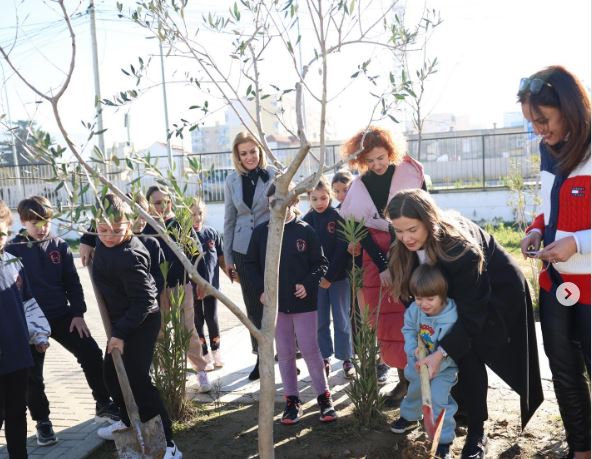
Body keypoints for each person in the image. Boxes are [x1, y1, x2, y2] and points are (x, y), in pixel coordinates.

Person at [386, 189, 544, 459]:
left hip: (496, 291)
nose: (405, 238)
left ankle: (476, 432)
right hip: (448, 292)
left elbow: (472, 315)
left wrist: (441, 351)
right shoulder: (404, 238)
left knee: (468, 353)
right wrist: (425, 337)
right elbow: (411, 294)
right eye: (399, 231)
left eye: (412, 229)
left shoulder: (459, 248)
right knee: (445, 346)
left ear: (428, 220)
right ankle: (456, 414)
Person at [517, 66, 590, 459]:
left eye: (542, 120)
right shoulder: (549, 149)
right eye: (532, 123)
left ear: (569, 107)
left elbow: (577, 227)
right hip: (556, 285)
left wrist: (577, 242)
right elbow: (552, 209)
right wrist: (535, 230)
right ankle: (581, 451)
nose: (538, 131)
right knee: (564, 374)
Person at [6, 196, 120, 447]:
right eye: (34, 222)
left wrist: (78, 313)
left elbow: (72, 282)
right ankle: (43, 422)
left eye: (45, 221)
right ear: (23, 221)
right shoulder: (12, 249)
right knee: (32, 375)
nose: (41, 226)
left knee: (90, 351)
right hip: (29, 322)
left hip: (61, 315)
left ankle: (103, 402)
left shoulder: (60, 246)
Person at [91, 194, 182, 459]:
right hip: (121, 320)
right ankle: (129, 422)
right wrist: (88, 242)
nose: (108, 236)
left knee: (138, 380)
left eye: (117, 230)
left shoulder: (130, 255)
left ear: (130, 225)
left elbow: (144, 301)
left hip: (141, 320)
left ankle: (168, 443)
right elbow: (95, 235)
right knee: (111, 375)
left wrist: (120, 334)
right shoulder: (104, 241)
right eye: (102, 229)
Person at [339, 126, 425, 400]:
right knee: (389, 322)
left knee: (415, 316)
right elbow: (360, 231)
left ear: (391, 151)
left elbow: (424, 215)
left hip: (411, 249)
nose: (377, 165)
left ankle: (423, 381)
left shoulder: (407, 175)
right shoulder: (359, 186)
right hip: (375, 257)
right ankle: (403, 381)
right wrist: (384, 265)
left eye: (381, 157)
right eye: (370, 160)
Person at [245, 184, 337, 424]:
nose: (278, 205)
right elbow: (250, 265)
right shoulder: (261, 232)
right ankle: (292, 400)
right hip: (276, 306)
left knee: (310, 350)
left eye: (283, 200)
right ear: (267, 203)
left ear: (294, 202)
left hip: (304, 304)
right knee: (285, 353)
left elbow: (321, 264)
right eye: (273, 200)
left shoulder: (305, 231)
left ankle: (324, 398)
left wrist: (307, 284)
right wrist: (261, 290)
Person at [145, 185, 212, 393]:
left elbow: (196, 255)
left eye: (166, 202)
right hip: (157, 291)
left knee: (188, 329)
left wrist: (201, 281)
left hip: (181, 287)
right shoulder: (145, 228)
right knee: (161, 332)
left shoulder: (180, 224)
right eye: (157, 202)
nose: (163, 206)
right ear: (148, 205)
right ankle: (166, 377)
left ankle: (201, 371)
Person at [223, 131, 278, 380]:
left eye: (253, 151)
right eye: (243, 153)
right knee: (253, 305)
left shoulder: (274, 176)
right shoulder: (231, 181)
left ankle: (286, 354)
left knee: (278, 302)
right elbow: (229, 219)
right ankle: (261, 358)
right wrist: (228, 259)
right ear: (237, 156)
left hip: (270, 245)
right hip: (243, 250)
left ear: (260, 151)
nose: (249, 157)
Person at [390, 264, 458, 459]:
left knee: (438, 400)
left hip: (444, 368)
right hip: (418, 363)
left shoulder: (450, 316)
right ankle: (410, 416)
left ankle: (443, 440)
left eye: (430, 299)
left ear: (442, 296)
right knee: (414, 390)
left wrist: (435, 365)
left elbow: (451, 346)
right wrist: (412, 350)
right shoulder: (414, 310)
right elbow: (409, 329)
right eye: (419, 298)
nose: (424, 304)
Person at [0, 199, 51, 459]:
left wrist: (39, 333)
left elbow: (28, 302)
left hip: (18, 353)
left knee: (17, 411)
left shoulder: (13, 263)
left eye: (2, 233)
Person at [303, 177, 354, 378]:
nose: (319, 203)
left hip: (338, 278)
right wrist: (318, 277)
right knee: (320, 321)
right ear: (309, 198)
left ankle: (347, 359)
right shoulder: (306, 222)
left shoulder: (338, 217)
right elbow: (305, 256)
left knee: (341, 319)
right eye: (314, 199)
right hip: (317, 282)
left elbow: (342, 248)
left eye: (323, 198)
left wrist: (330, 276)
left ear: (330, 196)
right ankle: (324, 358)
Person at [190, 196, 226, 370]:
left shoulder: (212, 233)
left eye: (200, 213)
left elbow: (220, 257)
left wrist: (231, 274)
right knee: (198, 320)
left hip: (212, 288)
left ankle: (217, 351)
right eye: (192, 214)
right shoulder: (186, 237)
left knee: (212, 318)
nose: (197, 217)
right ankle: (204, 355)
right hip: (193, 289)